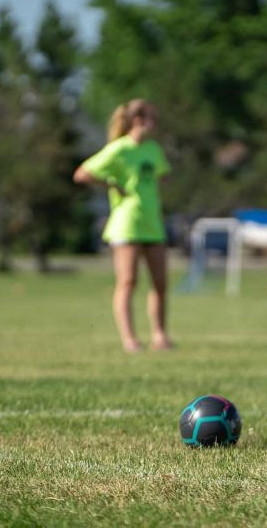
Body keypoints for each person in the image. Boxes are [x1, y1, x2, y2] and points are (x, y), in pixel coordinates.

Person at [73, 99, 172, 353]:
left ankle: (159, 336)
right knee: (128, 281)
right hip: (126, 224)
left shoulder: (153, 149)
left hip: (152, 223)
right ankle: (130, 340)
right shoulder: (119, 149)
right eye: (153, 118)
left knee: (160, 283)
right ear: (138, 120)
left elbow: (161, 178)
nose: (156, 124)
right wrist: (112, 184)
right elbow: (82, 174)